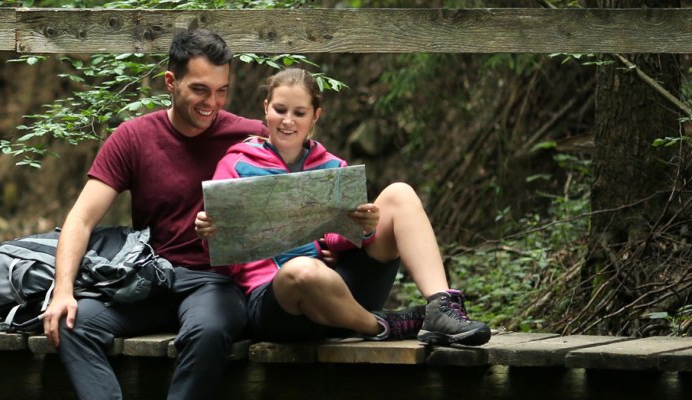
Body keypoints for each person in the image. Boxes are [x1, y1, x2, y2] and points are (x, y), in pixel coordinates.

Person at [41, 29, 263, 400]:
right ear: (170, 83)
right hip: (151, 278)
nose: (213, 103)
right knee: (70, 324)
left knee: (207, 332)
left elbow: (307, 191)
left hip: (215, 283)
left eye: (222, 90)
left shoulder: (252, 136)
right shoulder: (133, 137)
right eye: (200, 90)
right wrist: (63, 291)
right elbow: (80, 219)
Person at [195, 68, 491, 345]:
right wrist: (211, 234)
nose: (288, 121)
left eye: (300, 113)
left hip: (337, 289)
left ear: (315, 116)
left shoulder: (332, 166)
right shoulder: (235, 164)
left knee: (400, 194)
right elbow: (224, 259)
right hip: (278, 304)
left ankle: (441, 306)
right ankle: (381, 326)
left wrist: (363, 227)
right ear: (266, 108)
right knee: (302, 271)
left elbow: (335, 240)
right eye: (280, 110)